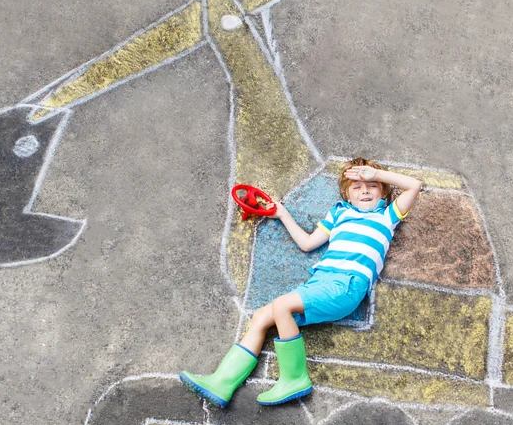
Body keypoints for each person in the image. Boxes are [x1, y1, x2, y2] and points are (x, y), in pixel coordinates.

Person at [180, 157, 422, 407]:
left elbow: (413, 185)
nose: (364, 191)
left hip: (347, 286)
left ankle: (294, 379)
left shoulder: (386, 216)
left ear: (382, 191)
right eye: (356, 187)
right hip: (320, 283)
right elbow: (307, 244)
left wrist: (375, 174)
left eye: (371, 186)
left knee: (282, 305)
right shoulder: (339, 212)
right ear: (347, 195)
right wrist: (281, 213)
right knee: (263, 316)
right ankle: (222, 383)